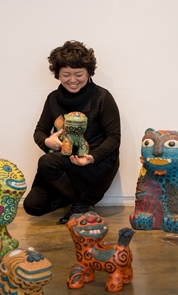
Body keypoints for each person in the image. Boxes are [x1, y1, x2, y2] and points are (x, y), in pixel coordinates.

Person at [23, 41, 121, 224]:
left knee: (47, 162)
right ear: (57, 74)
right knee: (33, 206)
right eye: (66, 74)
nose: (73, 80)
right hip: (64, 163)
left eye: (79, 74)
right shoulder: (53, 98)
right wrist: (47, 142)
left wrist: (91, 157)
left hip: (94, 165)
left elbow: (114, 137)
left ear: (88, 73)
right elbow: (40, 132)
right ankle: (80, 203)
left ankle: (81, 203)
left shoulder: (102, 96)